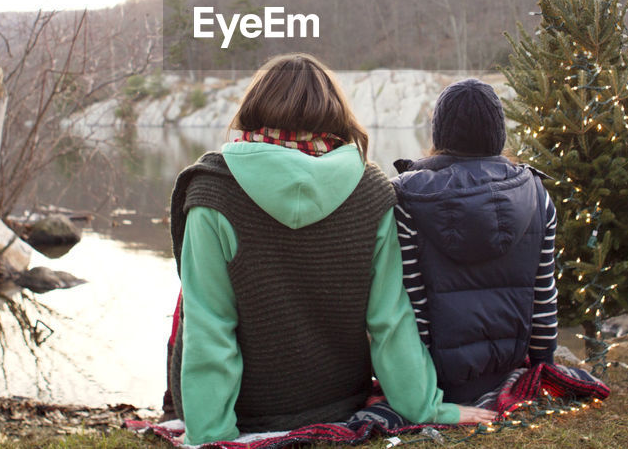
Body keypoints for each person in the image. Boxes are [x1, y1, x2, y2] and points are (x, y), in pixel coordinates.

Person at [167, 53, 494, 444]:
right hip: (338, 403)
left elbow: (209, 329)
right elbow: (390, 322)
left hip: (244, 410)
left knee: (194, 309)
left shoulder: (213, 190)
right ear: (336, 113)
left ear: (254, 108)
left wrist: (211, 436)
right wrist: (428, 408)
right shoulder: (372, 190)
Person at [392, 78, 558, 404]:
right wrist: (543, 372)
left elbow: (412, 306)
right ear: (498, 135)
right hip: (509, 375)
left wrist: (424, 391)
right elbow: (544, 302)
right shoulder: (537, 194)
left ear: (439, 134)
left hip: (433, 383)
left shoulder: (406, 197)